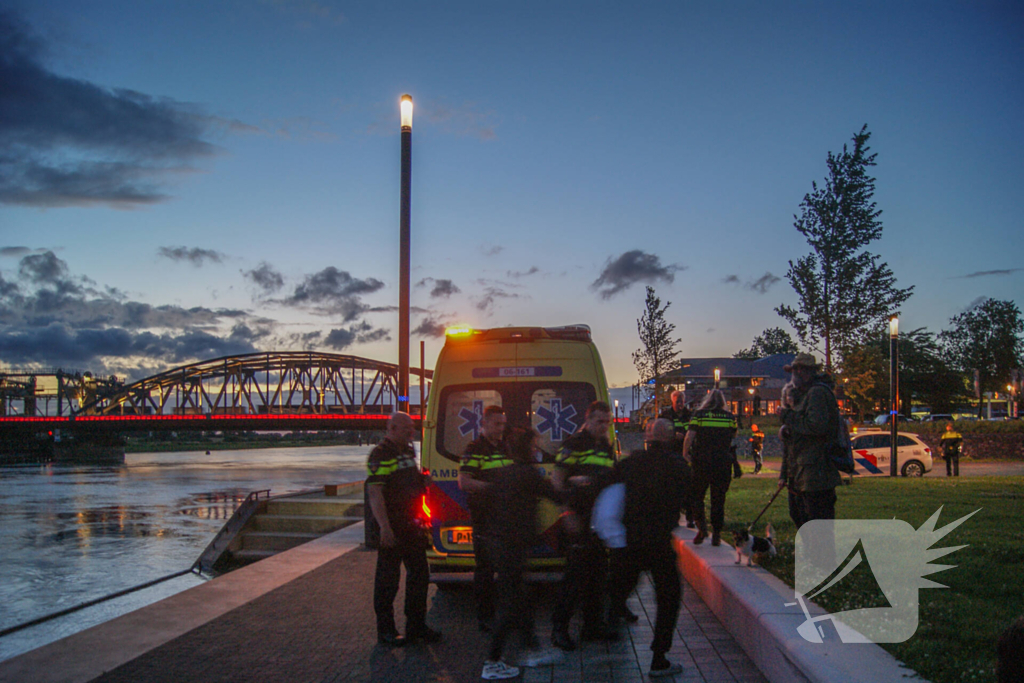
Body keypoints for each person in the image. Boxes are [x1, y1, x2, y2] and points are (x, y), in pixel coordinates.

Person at [481, 427, 566, 680]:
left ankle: (532, 648)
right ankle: (492, 662)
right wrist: (579, 489)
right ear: (526, 449)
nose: (537, 450)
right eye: (534, 446)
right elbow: (554, 494)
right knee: (510, 605)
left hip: (501, 544)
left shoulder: (503, 473)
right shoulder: (528, 474)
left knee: (521, 598)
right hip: (511, 546)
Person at [610, 419, 690, 678]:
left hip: (631, 540)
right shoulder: (678, 465)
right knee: (669, 596)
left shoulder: (632, 462)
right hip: (659, 541)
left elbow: (607, 481)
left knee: (621, 586)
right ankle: (659, 657)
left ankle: (607, 626)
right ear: (670, 438)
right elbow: (690, 497)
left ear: (648, 437)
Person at [366, 412, 440, 646]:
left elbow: (408, 481)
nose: (412, 432)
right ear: (393, 428)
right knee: (388, 581)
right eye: (407, 428)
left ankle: (416, 626)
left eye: (412, 428)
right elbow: (375, 493)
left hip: (412, 525)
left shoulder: (408, 451)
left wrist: (422, 481)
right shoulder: (380, 454)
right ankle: (386, 631)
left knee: (420, 575)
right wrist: (384, 528)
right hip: (393, 526)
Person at [551, 400, 617, 650]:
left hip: (598, 521)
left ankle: (592, 627)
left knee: (598, 576)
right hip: (577, 519)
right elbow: (557, 481)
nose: (604, 426)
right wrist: (566, 512)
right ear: (588, 421)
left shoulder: (605, 447)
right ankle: (559, 629)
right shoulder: (573, 444)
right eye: (599, 421)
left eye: (607, 422)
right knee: (574, 578)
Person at [458, 405, 513, 631]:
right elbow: (464, 482)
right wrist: (493, 488)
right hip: (484, 517)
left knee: (506, 567)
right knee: (485, 569)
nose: (501, 428)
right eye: (496, 424)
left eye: (502, 424)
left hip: (503, 516)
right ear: (484, 424)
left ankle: (504, 614)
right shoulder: (474, 448)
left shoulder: (504, 447)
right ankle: (485, 617)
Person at [776, 353, 843, 530]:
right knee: (799, 517)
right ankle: (812, 556)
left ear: (812, 372)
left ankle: (821, 558)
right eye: (795, 370)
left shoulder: (817, 393)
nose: (798, 373)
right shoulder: (803, 395)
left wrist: (787, 416)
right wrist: (784, 474)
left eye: (803, 369)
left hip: (816, 473)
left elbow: (816, 427)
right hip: (800, 472)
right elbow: (793, 441)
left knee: (817, 524)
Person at [683, 389, 738, 546]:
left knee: (697, 496)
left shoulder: (699, 415)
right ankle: (717, 533)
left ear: (707, 400)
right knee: (718, 499)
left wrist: (685, 453)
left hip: (702, 461)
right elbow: (734, 435)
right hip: (722, 462)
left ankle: (702, 528)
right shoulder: (730, 417)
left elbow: (690, 436)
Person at [660, 389, 696, 528]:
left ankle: (690, 517)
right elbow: (660, 431)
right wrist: (673, 435)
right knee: (671, 487)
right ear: (672, 401)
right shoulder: (666, 415)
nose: (680, 404)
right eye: (678, 401)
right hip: (671, 454)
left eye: (682, 401)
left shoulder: (690, 415)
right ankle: (672, 516)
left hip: (686, 455)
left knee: (689, 486)